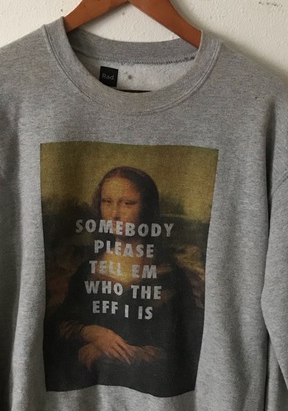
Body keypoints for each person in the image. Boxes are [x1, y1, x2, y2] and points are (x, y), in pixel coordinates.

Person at [43, 166, 205, 397]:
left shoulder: (170, 275)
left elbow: (185, 345)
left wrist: (122, 354)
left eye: (128, 203)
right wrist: (91, 332)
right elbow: (57, 329)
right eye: (107, 202)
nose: (115, 214)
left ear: (146, 207)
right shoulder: (88, 270)